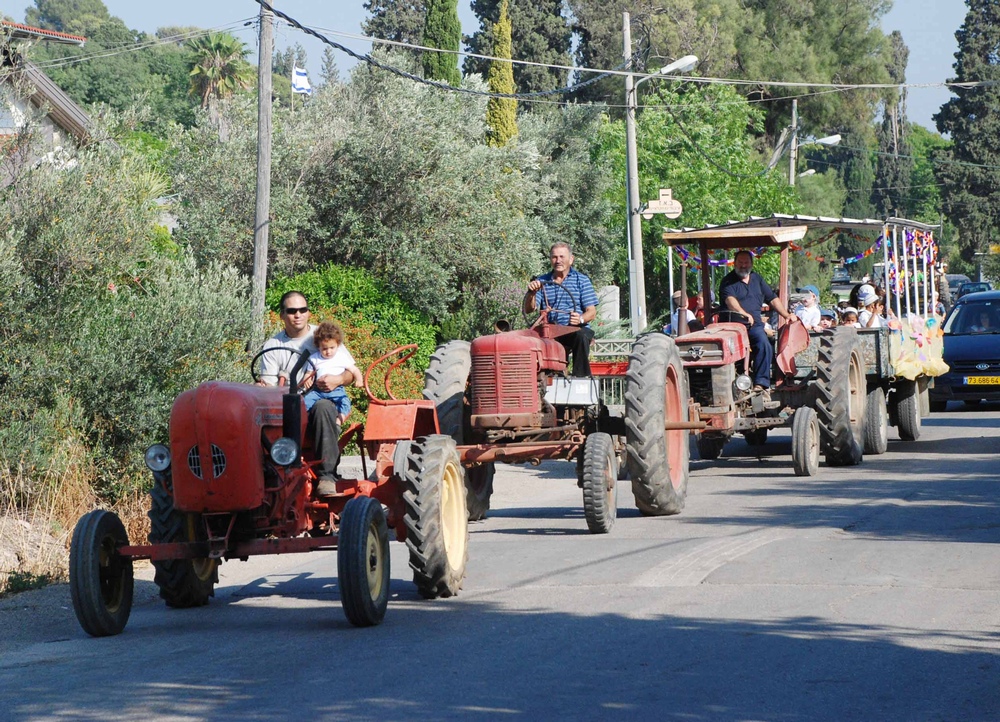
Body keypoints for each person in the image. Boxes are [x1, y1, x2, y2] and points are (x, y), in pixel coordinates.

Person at [258, 291, 354, 497]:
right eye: (292, 311)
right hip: (286, 404)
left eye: (302, 309)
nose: (298, 314)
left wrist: (337, 379)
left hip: (319, 399)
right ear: (282, 315)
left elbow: (349, 371)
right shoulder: (273, 346)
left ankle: (327, 476)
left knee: (324, 407)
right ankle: (264, 476)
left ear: (308, 313)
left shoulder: (323, 336)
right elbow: (269, 384)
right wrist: (263, 386)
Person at [718, 250, 797, 395]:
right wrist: (742, 313)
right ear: (734, 264)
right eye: (740, 262)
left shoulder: (757, 279)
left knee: (763, 342)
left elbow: (772, 298)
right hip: (732, 326)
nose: (743, 265)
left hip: (753, 326)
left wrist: (786, 315)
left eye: (746, 262)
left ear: (751, 264)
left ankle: (761, 382)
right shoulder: (728, 281)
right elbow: (730, 300)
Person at [523, 242, 598, 376]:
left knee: (581, 336)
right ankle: (537, 380)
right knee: (529, 341)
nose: (558, 261)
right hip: (550, 331)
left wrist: (580, 318)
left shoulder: (581, 280)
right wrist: (531, 293)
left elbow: (591, 312)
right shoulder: (542, 281)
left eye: (562, 257)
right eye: (554, 257)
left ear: (571, 259)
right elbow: (530, 309)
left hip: (573, 330)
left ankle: (580, 378)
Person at [302, 321, 363, 424]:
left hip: (336, 389)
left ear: (337, 344)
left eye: (332, 348)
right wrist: (306, 380)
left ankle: (339, 421)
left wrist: (359, 380)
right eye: (324, 348)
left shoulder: (341, 357)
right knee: (304, 402)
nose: (328, 351)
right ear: (318, 346)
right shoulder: (314, 358)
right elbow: (309, 373)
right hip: (317, 391)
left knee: (345, 402)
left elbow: (354, 370)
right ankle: (303, 422)